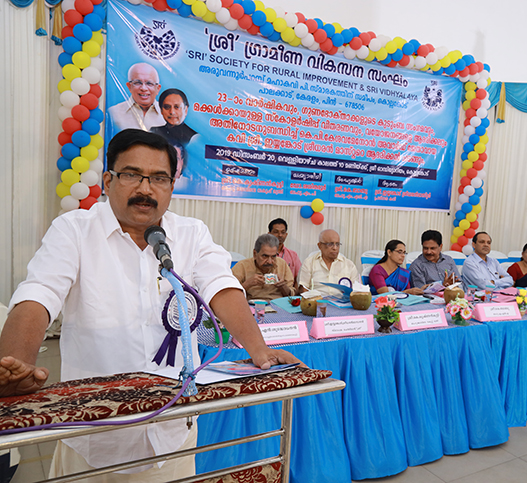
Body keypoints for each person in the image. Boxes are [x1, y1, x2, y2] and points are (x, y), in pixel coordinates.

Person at [0, 130, 299, 480]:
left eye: (159, 178)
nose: (146, 188)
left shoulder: (191, 234)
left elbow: (222, 288)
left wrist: (259, 350)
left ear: (171, 187)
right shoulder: (75, 229)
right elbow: (40, 293)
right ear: (108, 181)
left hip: (173, 437)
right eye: (132, 175)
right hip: (95, 441)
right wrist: (16, 366)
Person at [232, 234, 295, 302]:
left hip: (277, 304)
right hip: (251, 305)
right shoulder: (242, 266)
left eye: (273, 256)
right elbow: (230, 295)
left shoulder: (282, 264)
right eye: (265, 256)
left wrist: (283, 286)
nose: (270, 261)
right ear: (255, 254)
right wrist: (247, 284)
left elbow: (291, 295)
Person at [298, 229, 359, 297]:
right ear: (320, 246)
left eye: (337, 244)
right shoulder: (309, 263)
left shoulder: (349, 265)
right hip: (317, 301)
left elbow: (357, 291)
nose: (335, 248)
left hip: (343, 302)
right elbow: (303, 288)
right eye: (330, 244)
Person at [108, 63, 165, 131]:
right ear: (129, 86)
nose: (143, 88)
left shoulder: (169, 115)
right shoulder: (113, 113)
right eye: (137, 83)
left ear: (158, 88)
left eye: (149, 83)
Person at [268, 218, 301, 284]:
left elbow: (299, 278)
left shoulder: (293, 255)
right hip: (268, 288)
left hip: (288, 288)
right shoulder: (263, 254)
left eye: (283, 232)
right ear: (269, 234)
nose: (280, 235)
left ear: (286, 235)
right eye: (276, 232)